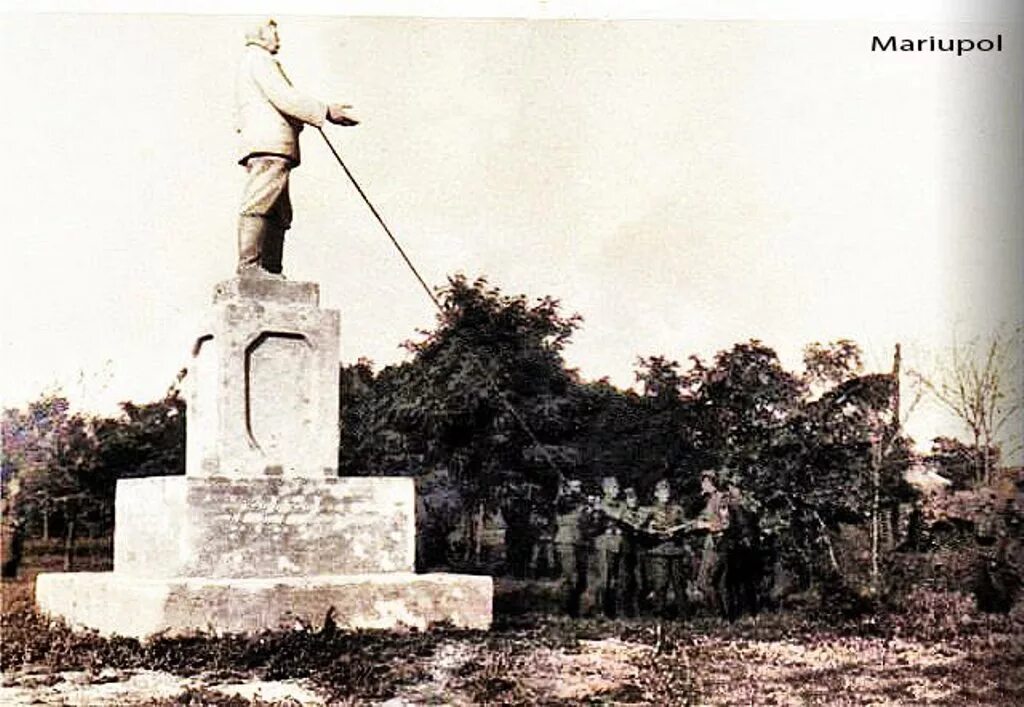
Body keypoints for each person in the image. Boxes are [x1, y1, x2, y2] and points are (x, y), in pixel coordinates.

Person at [235, 19, 358, 278]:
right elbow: (284, 97)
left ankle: (270, 268)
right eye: (272, 29)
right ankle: (250, 267)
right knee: (260, 201)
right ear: (259, 34)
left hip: (274, 145)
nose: (277, 35)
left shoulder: (256, 61)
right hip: (269, 144)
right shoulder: (258, 59)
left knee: (279, 210)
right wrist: (325, 111)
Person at [643, 479, 692, 617]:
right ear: (656, 494)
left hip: (675, 550)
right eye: (662, 491)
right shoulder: (650, 511)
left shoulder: (677, 509)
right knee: (660, 584)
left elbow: (687, 526)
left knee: (679, 584)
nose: (666, 494)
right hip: (658, 550)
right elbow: (641, 527)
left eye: (667, 491)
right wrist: (650, 530)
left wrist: (679, 531)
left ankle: (684, 614)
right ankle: (660, 613)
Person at [583, 476, 626, 616]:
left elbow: (624, 517)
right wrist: (595, 510)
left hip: (618, 544)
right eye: (613, 487)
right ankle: (599, 609)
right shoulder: (598, 505)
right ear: (605, 489)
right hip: (604, 545)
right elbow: (591, 526)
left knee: (615, 578)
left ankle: (612, 609)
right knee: (604, 578)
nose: (616, 490)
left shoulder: (621, 505)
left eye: (616, 487)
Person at [692, 469, 731, 616]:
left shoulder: (721, 498)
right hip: (711, 544)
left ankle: (717, 613)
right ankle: (724, 615)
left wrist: (706, 525)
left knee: (704, 582)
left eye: (705, 481)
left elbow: (725, 524)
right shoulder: (707, 500)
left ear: (710, 482)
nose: (702, 485)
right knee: (718, 583)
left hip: (718, 544)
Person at [553, 479, 588, 615]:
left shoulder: (581, 502)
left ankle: (574, 608)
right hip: (566, 541)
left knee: (581, 578)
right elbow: (564, 506)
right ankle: (563, 609)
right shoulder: (563, 501)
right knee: (568, 576)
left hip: (579, 542)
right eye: (574, 487)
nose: (577, 489)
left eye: (579, 486)